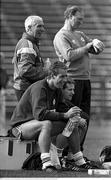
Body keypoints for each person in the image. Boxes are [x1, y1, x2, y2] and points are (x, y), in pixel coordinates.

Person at [53, 5, 105, 150]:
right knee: (74, 117)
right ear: (69, 16)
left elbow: (92, 49)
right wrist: (87, 46)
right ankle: (66, 152)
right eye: (79, 19)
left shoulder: (80, 34)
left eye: (82, 19)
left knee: (85, 118)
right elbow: (68, 55)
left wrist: (97, 45)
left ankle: (77, 152)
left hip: (85, 80)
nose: (81, 22)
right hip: (71, 80)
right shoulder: (61, 36)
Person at [12, 15, 50, 101]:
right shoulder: (27, 44)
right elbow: (25, 70)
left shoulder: (30, 43)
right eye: (39, 26)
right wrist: (46, 71)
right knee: (30, 114)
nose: (43, 29)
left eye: (43, 26)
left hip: (26, 87)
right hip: (26, 88)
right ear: (29, 28)